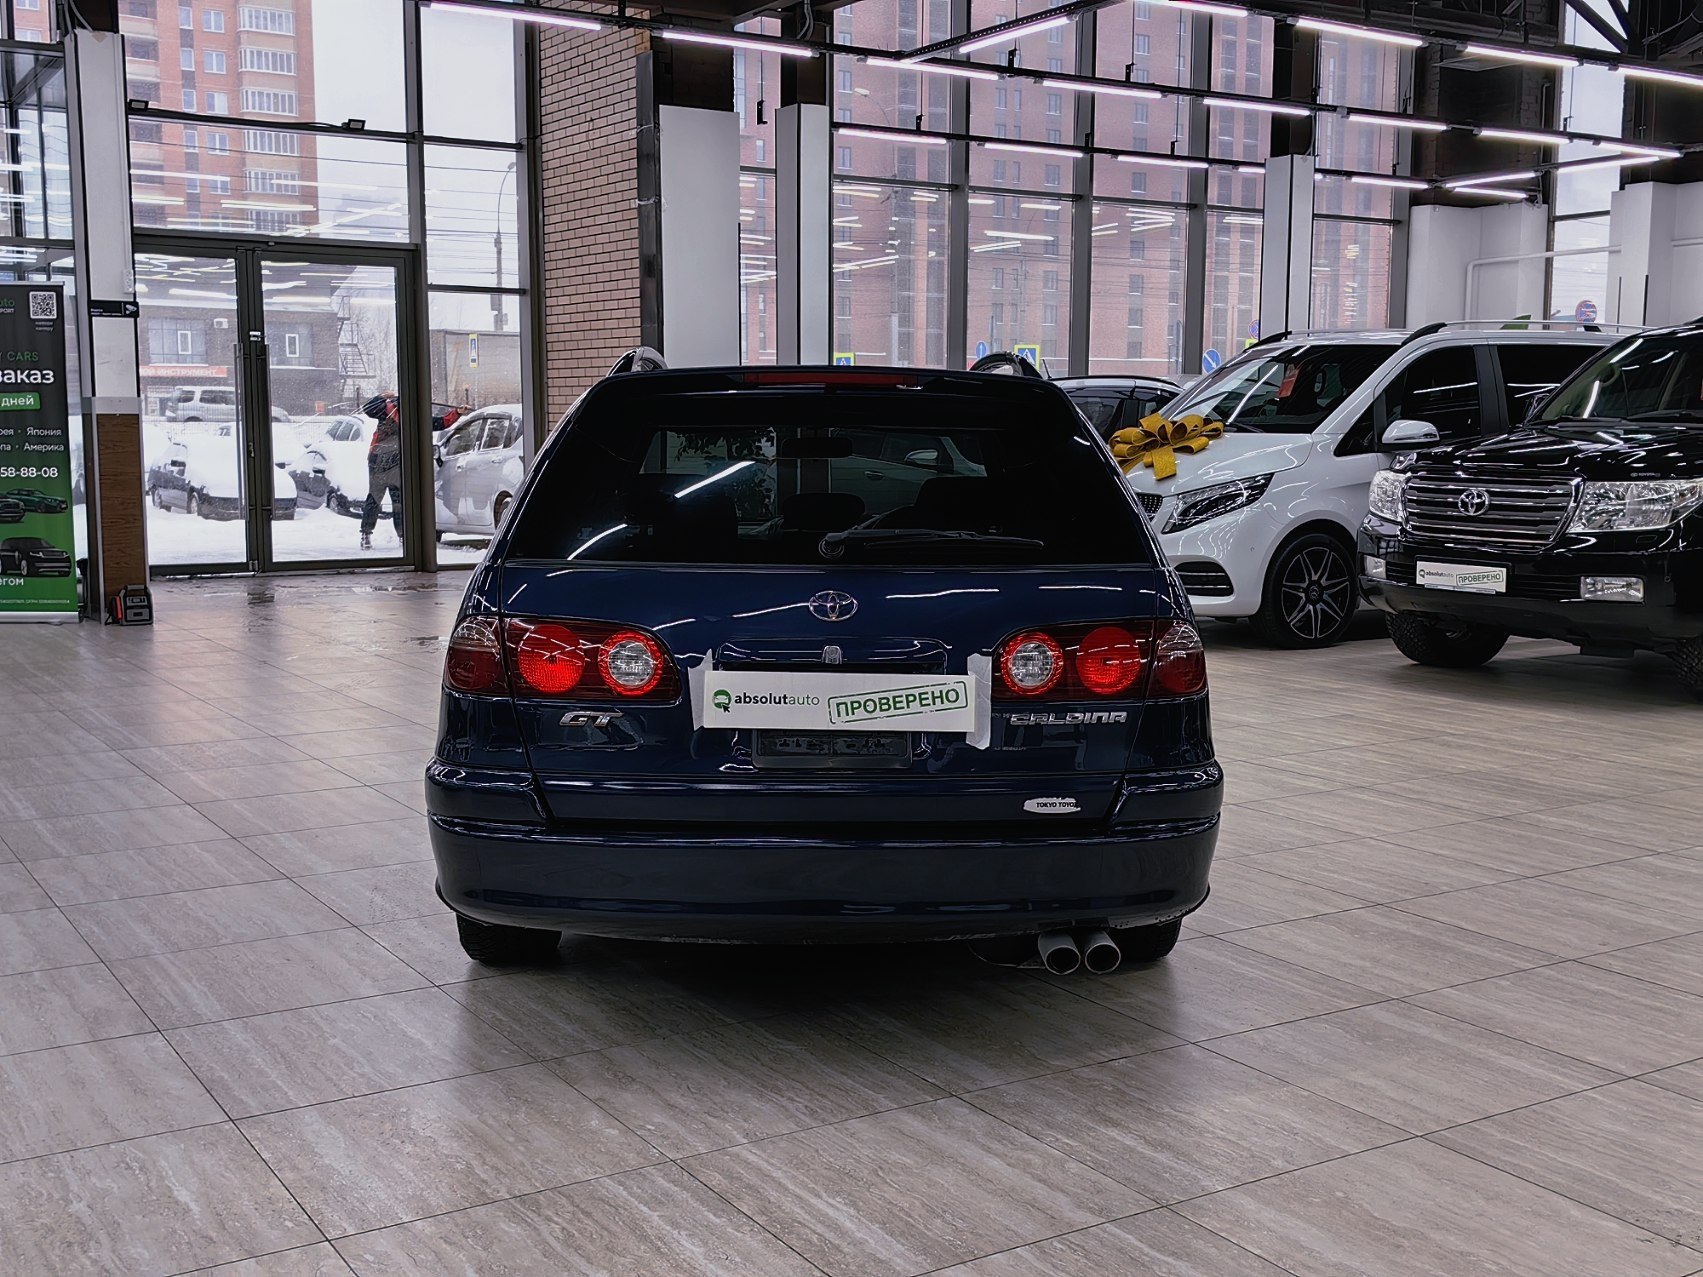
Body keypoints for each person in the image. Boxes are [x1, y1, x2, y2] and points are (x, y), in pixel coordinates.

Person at [360, 394, 404, 550]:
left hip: (393, 461)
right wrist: (381, 397)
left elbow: (439, 422)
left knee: (395, 500)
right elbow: (368, 408)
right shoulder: (386, 411)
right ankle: (367, 533)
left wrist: (457, 413)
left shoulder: (392, 412)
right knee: (380, 498)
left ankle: (402, 535)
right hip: (380, 461)